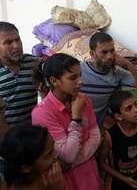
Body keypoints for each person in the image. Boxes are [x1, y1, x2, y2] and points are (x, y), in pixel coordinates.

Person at [32, 53, 101, 190]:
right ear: (54, 81)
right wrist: (76, 118)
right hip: (67, 180)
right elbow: (68, 154)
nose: (80, 81)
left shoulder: (83, 100)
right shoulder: (42, 113)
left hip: (88, 172)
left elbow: (95, 137)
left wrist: (75, 162)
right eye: (73, 77)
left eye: (80, 75)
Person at [80, 32, 137, 128]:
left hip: (95, 127)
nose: (110, 56)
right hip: (72, 122)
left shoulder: (117, 72)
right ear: (92, 54)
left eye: (112, 51)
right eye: (104, 52)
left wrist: (127, 64)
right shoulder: (79, 69)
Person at [98, 91, 137, 190]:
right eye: (129, 108)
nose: (136, 110)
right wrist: (125, 179)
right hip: (119, 182)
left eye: (135, 105)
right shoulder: (110, 135)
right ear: (119, 116)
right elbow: (102, 163)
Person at [0, 125, 64, 190]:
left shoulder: (47, 176)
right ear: (25, 168)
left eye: (53, 148)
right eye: (49, 154)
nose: (56, 155)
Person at [0, 22, 38, 126]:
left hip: (33, 132)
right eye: (8, 42)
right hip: (7, 137)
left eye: (17, 40)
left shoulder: (33, 63)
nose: (16, 46)